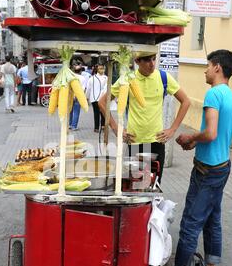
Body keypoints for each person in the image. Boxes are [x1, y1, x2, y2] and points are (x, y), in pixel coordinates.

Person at [175, 50, 232, 266]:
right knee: (213, 216)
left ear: (217, 68)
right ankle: (211, 264)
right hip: (222, 166)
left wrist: (190, 137)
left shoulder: (213, 94)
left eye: (208, 65)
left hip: (207, 171)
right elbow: (224, 136)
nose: (205, 69)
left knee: (190, 224)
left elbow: (211, 133)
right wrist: (197, 143)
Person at [98, 49, 191, 182]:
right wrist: (116, 129)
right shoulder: (127, 80)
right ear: (137, 62)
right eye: (147, 60)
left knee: (154, 185)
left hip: (157, 141)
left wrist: (172, 129)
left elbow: (186, 101)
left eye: (154, 58)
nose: (152, 64)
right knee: (135, 186)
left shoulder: (163, 77)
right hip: (135, 141)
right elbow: (102, 102)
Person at [86, 64, 108, 133]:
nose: (102, 70)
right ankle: (96, 128)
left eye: (103, 68)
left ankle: (103, 126)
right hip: (94, 98)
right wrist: (87, 97)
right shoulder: (91, 78)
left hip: (103, 98)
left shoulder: (106, 78)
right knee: (96, 113)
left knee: (103, 112)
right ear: (97, 70)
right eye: (100, 68)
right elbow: (88, 89)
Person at [69, 65, 87, 131]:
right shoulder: (83, 78)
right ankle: (74, 126)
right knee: (76, 111)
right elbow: (83, 89)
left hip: (70, 96)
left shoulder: (71, 77)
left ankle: (70, 124)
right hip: (78, 96)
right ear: (81, 71)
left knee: (70, 111)